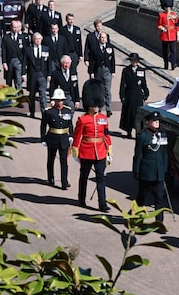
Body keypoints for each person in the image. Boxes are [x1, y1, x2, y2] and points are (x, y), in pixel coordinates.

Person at [71, 79, 112, 212]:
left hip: (100, 151)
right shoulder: (82, 120)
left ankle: (102, 203)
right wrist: (75, 150)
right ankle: (81, 198)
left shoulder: (103, 118)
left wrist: (109, 149)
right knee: (84, 176)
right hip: (86, 151)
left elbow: (106, 135)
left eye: (97, 105)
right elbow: (77, 136)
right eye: (94, 104)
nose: (96, 107)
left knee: (101, 178)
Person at [134, 111, 169, 222]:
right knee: (141, 197)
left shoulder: (162, 135)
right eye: (154, 121)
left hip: (158, 173)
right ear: (148, 122)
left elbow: (164, 154)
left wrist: (164, 169)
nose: (156, 122)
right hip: (146, 172)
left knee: (159, 199)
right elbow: (138, 155)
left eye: (158, 121)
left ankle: (159, 223)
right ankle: (137, 219)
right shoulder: (143, 136)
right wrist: (136, 170)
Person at [40, 88, 74, 190]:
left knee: (64, 161)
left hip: (64, 138)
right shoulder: (49, 112)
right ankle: (50, 178)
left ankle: (64, 182)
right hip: (52, 137)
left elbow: (70, 124)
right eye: (58, 100)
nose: (60, 103)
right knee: (51, 159)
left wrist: (71, 135)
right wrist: (43, 139)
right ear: (54, 101)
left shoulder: (67, 110)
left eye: (61, 100)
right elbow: (43, 125)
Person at [119, 53, 149, 138]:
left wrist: (146, 93)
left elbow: (144, 84)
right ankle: (128, 131)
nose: (134, 62)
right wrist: (122, 95)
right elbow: (122, 84)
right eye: (133, 60)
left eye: (136, 60)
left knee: (138, 114)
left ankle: (138, 131)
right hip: (129, 94)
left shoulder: (141, 70)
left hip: (138, 95)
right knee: (129, 113)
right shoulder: (126, 70)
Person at [87, 31, 116, 117]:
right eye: (102, 38)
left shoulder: (110, 48)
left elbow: (113, 60)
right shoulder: (94, 48)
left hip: (107, 71)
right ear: (99, 38)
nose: (103, 39)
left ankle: (108, 109)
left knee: (107, 90)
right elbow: (91, 61)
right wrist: (91, 72)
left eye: (104, 38)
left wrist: (113, 71)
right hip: (98, 70)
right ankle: (98, 108)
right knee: (98, 90)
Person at [23, 32, 50, 118]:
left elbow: (49, 63)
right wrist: (23, 74)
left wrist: (49, 74)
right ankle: (32, 112)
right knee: (32, 95)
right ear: (33, 40)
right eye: (36, 39)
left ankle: (44, 113)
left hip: (42, 74)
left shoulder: (46, 49)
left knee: (43, 94)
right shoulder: (28, 50)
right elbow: (24, 62)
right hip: (32, 75)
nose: (38, 40)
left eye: (39, 39)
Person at [1, 19, 28, 91]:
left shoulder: (23, 37)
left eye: (17, 27)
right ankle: (9, 98)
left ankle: (18, 97)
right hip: (9, 61)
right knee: (9, 80)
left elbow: (26, 50)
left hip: (19, 61)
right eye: (14, 27)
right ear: (11, 27)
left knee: (18, 80)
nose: (16, 29)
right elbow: (4, 50)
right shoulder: (6, 37)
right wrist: (4, 62)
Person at [157, 0, 179, 70]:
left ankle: (173, 64)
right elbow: (159, 25)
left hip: (172, 35)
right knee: (165, 51)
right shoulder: (161, 15)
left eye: (169, 7)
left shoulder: (174, 15)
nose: (168, 8)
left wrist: (178, 35)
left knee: (173, 51)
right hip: (165, 36)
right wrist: (163, 28)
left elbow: (177, 25)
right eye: (166, 7)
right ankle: (166, 63)